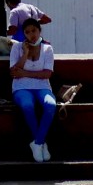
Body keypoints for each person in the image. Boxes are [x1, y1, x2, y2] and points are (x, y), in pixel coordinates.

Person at [10, 17, 59, 161]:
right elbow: (13, 72)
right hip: (21, 87)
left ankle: (37, 143)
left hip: (42, 86)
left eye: (34, 31)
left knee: (50, 105)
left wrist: (24, 73)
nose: (32, 34)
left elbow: (47, 73)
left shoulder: (47, 48)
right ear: (24, 34)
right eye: (27, 32)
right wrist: (25, 54)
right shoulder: (17, 47)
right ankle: (41, 143)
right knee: (27, 105)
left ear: (39, 31)